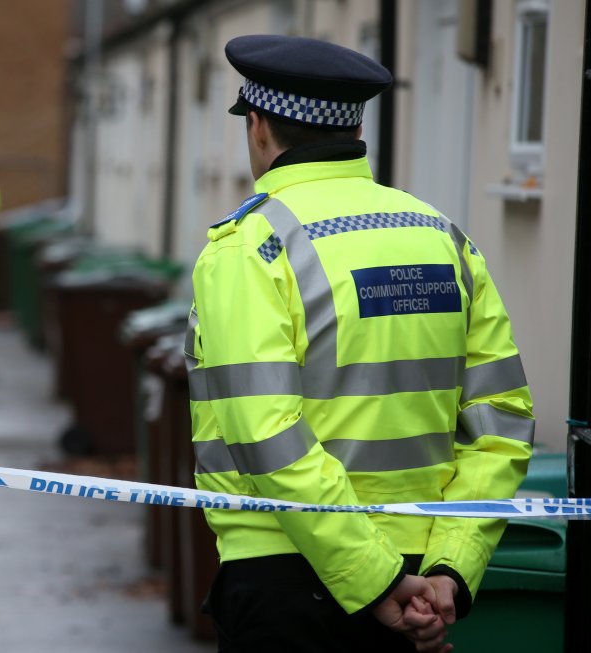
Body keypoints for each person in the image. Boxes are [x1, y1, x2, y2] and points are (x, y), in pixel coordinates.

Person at [186, 35, 534, 653]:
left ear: (259, 126)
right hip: (422, 581)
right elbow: (501, 423)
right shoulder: (442, 237)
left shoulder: (251, 246)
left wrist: (375, 583)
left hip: (289, 580)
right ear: (353, 127)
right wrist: (451, 568)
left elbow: (267, 438)